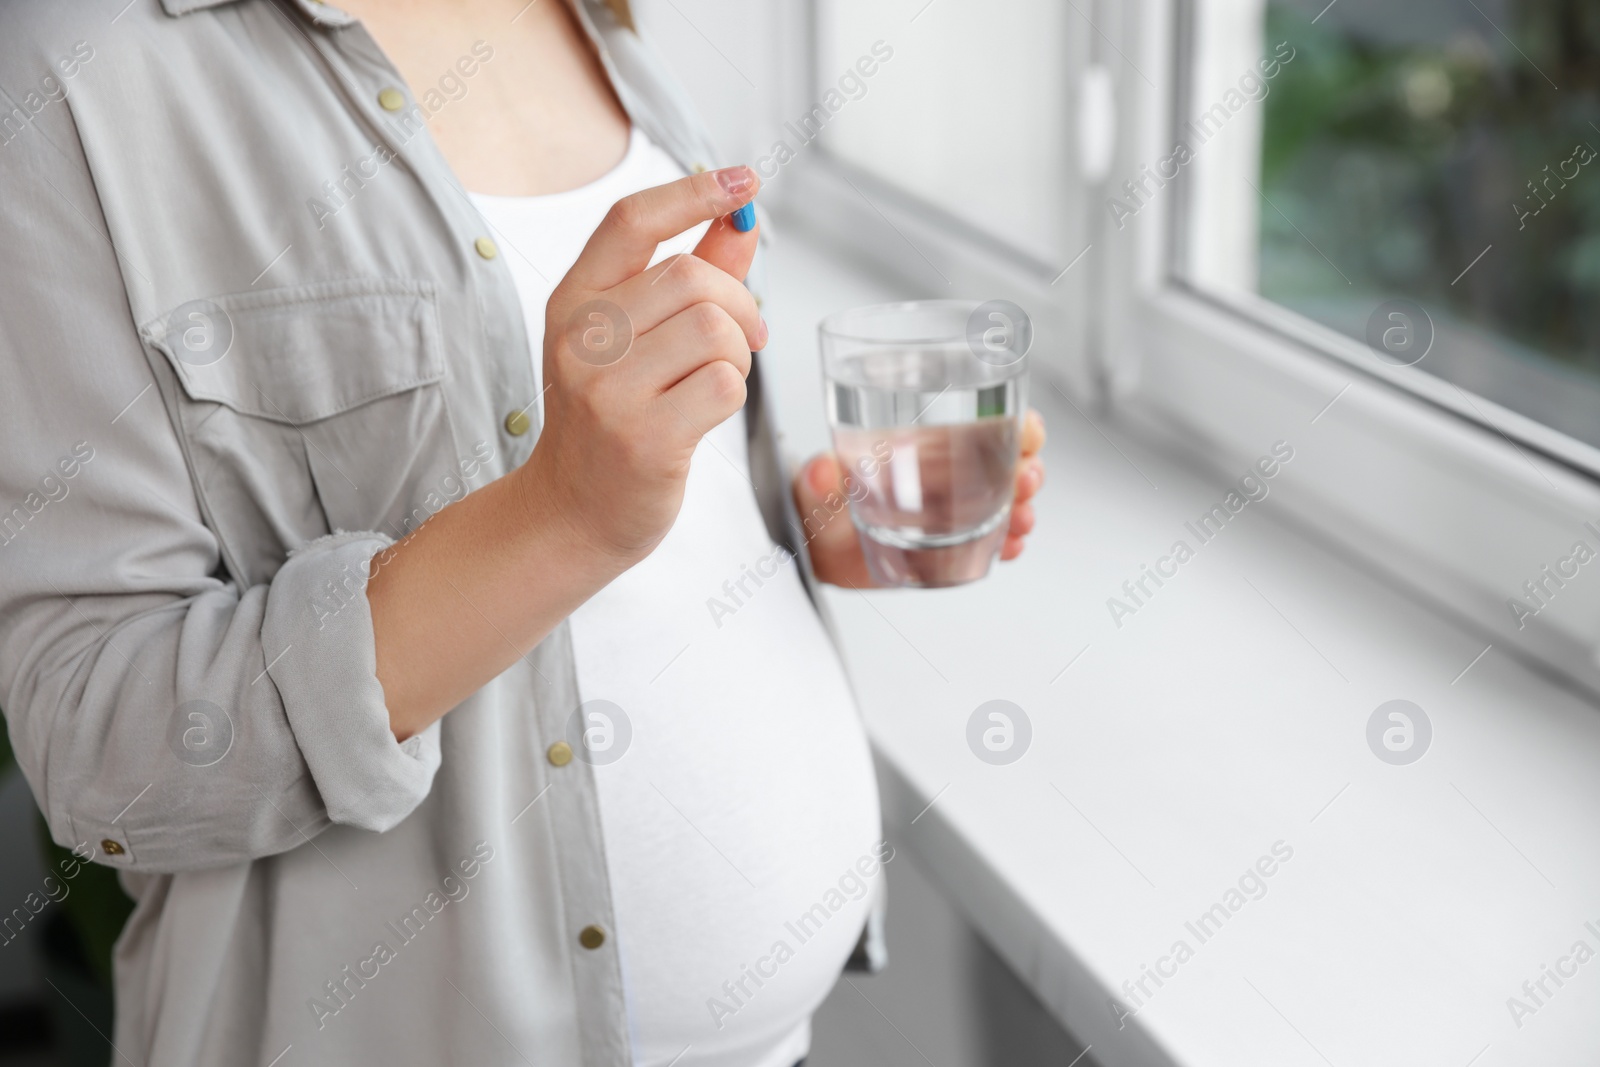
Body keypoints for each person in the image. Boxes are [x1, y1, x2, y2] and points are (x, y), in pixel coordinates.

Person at [0, 0, 1046, 1064]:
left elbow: (651, 487)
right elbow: (96, 741)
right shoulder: (83, 67)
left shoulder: (595, 20)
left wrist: (811, 525)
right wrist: (557, 516)